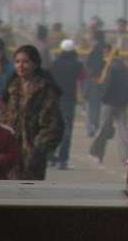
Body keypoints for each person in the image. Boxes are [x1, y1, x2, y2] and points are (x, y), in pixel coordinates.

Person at [0, 44, 64, 180]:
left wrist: (37, 149)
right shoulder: (11, 88)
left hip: (33, 157)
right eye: (17, 62)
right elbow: (2, 117)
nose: (20, 66)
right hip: (8, 154)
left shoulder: (45, 90)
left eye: (25, 62)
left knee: (28, 196)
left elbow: (53, 125)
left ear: (35, 64)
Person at [89, 43, 128, 166]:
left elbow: (107, 85)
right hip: (123, 103)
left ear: (108, 52)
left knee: (103, 128)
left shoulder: (110, 67)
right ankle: (127, 157)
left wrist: (103, 97)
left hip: (109, 102)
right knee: (123, 129)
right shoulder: (126, 67)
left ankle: (96, 153)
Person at [49, 39, 84, 170]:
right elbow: (82, 79)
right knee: (67, 130)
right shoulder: (78, 65)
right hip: (69, 100)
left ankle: (50, 157)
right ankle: (63, 160)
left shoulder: (53, 64)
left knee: (52, 128)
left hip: (53, 99)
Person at [84, 28, 106, 137]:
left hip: (94, 79)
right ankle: (96, 126)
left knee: (91, 105)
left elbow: (92, 64)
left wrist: (92, 74)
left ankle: (91, 127)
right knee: (97, 105)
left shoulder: (96, 48)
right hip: (102, 79)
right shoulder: (103, 47)